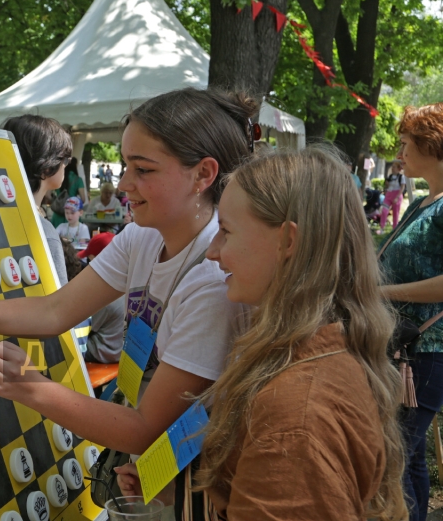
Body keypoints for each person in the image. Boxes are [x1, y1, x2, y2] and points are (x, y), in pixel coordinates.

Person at [0, 87, 255, 462]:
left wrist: (29, 386)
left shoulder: (213, 280)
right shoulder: (142, 235)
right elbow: (55, 311)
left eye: (143, 170)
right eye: (125, 166)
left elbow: (144, 430)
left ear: (203, 174)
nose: (123, 184)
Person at [116, 147, 407, 520]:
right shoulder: (306, 355)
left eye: (226, 231)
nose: (212, 253)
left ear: (288, 242)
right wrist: (196, 488)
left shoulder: (295, 417)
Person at [380, 103, 443, 521]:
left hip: (428, 349)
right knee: (410, 455)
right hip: (408, 347)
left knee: (395, 456)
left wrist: (380, 290)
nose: (400, 152)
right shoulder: (424, 200)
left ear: (433, 145)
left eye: (406, 143)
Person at [0, 115, 70, 285]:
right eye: (65, 159)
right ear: (46, 168)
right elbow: (58, 303)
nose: (66, 165)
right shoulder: (42, 231)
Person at [76, 234, 125, 364]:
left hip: (104, 351)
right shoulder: (127, 280)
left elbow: (84, 326)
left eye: (89, 259)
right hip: (121, 348)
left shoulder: (106, 293)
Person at [50, 157, 87, 227]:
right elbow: (83, 199)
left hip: (58, 215)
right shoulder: (78, 179)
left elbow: (47, 194)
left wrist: (56, 200)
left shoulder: (58, 178)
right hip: (73, 214)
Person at [378, 161, 406, 234]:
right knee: (384, 211)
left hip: (397, 195)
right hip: (389, 195)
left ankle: (394, 230)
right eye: (392, 167)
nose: (392, 168)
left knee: (395, 213)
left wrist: (397, 197)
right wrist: (386, 184)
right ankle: (382, 228)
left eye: (394, 167)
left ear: (398, 168)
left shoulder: (401, 177)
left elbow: (402, 188)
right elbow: (388, 186)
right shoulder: (390, 176)